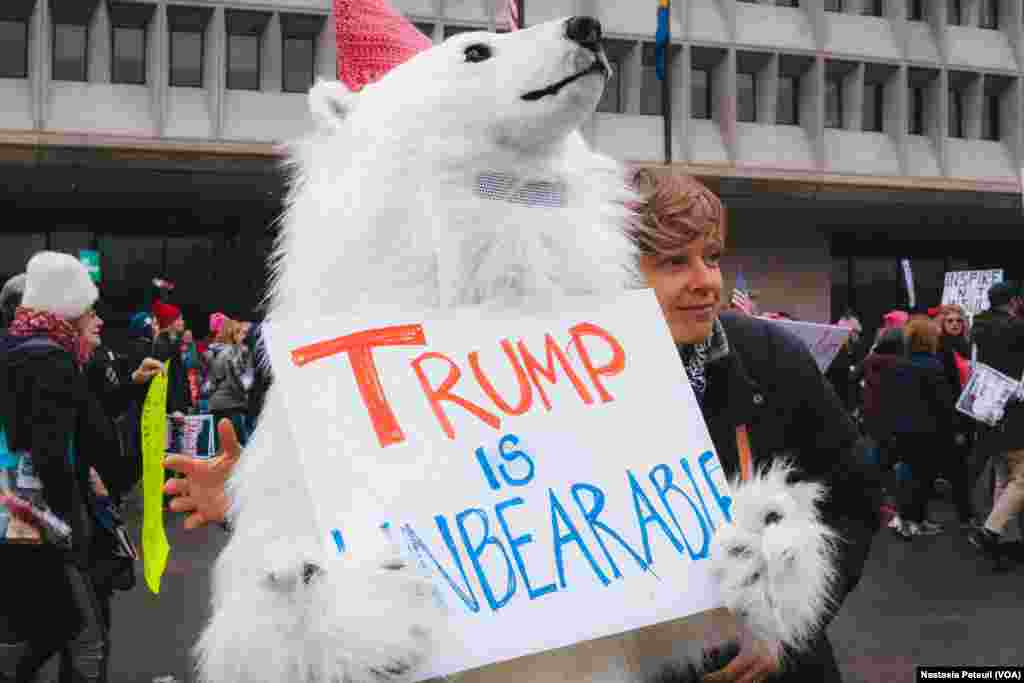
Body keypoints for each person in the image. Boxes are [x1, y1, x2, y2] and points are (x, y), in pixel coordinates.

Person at [165, 171, 880, 682]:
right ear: (614, 270)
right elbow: (421, 509)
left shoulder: (771, 359)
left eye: (712, 257)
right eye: (673, 262)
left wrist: (787, 625)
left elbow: (851, 495)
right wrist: (263, 501)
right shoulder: (526, 375)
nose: (706, 281)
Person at [0, 252, 145, 683]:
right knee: (84, 641)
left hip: (19, 518)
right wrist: (72, 526)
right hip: (45, 522)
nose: (98, 319)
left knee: (42, 631)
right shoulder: (51, 360)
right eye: (89, 310)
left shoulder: (18, 351)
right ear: (68, 309)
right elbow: (51, 453)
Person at [967, 280, 1024, 568]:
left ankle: (999, 535)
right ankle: (990, 532)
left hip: (988, 409)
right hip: (1014, 412)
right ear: (1014, 301)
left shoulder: (978, 328)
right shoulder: (1017, 329)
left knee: (1003, 475)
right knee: (1021, 478)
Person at [883, 318, 956, 539]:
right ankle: (916, 521)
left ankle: (906, 520)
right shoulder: (933, 366)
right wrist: (953, 428)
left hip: (903, 428)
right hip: (928, 430)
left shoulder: (899, 363)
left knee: (907, 475)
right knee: (923, 479)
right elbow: (942, 403)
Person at [933, 304, 976, 528]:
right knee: (958, 468)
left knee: (960, 465)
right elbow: (945, 389)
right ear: (942, 323)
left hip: (970, 411)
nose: (955, 324)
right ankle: (965, 516)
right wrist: (955, 425)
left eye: (959, 321)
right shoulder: (940, 348)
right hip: (951, 415)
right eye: (950, 321)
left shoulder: (968, 347)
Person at [204, 319, 254, 449]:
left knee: (221, 447)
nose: (243, 336)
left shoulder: (212, 352)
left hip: (215, 404)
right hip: (232, 404)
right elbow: (238, 381)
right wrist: (244, 395)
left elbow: (210, 382)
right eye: (240, 332)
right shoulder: (236, 352)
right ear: (232, 334)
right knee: (241, 447)